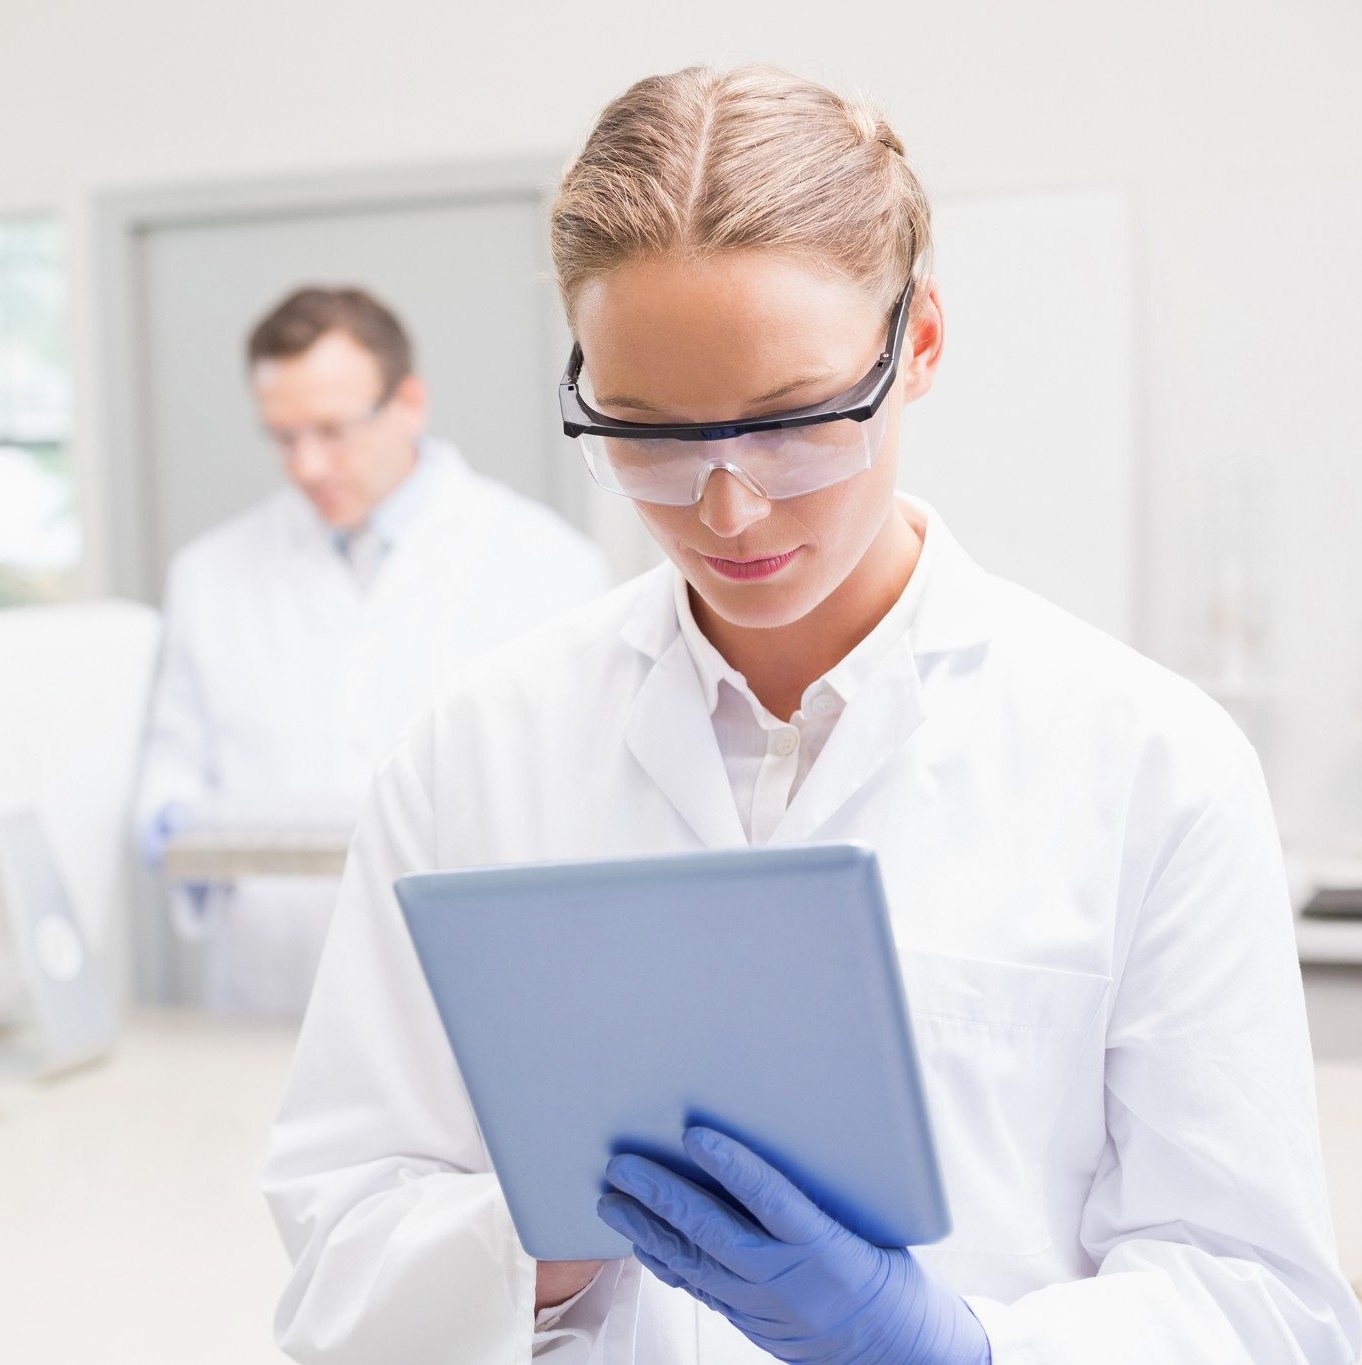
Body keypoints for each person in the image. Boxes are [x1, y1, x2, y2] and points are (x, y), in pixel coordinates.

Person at [262, 66, 1361, 1363]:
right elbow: (336, 1277)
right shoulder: (473, 753)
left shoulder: (1150, 767)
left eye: (793, 423)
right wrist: (540, 1242)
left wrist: (954, 1350)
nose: (728, 510)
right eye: (649, 433)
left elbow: (1260, 1302)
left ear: (923, 344)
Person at [134, 286, 609, 1016]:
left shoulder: (546, 566)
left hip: (466, 996)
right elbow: (173, 763)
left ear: (409, 402)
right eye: (283, 437)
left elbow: (583, 800)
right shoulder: (210, 573)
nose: (307, 465)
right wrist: (168, 820)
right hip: (272, 990)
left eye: (332, 429)